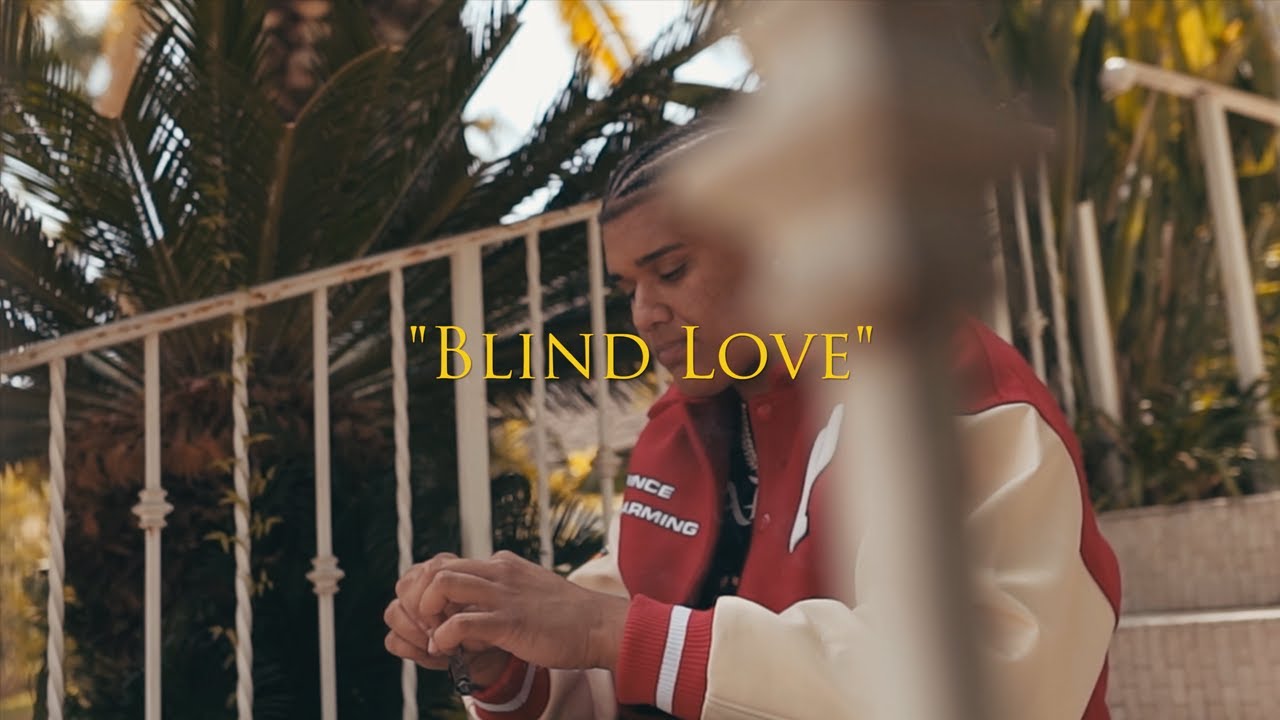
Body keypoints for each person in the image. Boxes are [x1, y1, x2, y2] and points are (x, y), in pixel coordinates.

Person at [383, 118, 1122, 719]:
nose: (644, 314)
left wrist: (615, 633)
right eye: (628, 287)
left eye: (670, 271)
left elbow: (983, 686)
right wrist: (505, 660)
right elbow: (623, 655)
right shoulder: (681, 424)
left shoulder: (948, 391)